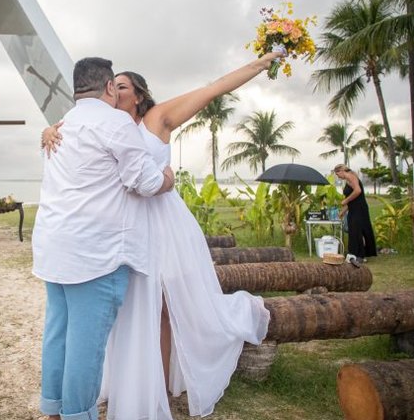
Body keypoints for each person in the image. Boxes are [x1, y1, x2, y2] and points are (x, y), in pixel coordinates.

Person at [43, 52, 281, 419]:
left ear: (138, 95)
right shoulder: (96, 122)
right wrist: (46, 131)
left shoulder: (156, 119)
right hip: (123, 231)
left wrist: (258, 64)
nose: (117, 91)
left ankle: (159, 389)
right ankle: (120, 386)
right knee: (122, 316)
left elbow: (212, 89)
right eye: (114, 84)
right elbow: (68, 139)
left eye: (124, 86)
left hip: (163, 226)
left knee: (165, 308)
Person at [32, 57, 175, 420]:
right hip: (95, 252)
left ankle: (52, 408)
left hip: (54, 244)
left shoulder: (64, 122)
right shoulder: (115, 122)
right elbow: (143, 182)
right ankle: (78, 414)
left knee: (58, 332)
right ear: (109, 87)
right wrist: (169, 179)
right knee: (86, 344)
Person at [334, 164, 377, 265]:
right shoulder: (348, 179)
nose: (338, 177)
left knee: (357, 230)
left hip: (359, 209)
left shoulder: (351, 176)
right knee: (354, 231)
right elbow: (353, 199)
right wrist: (343, 211)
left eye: (337, 174)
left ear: (341, 171)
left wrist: (345, 200)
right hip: (354, 208)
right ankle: (357, 254)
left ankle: (359, 255)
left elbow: (358, 191)